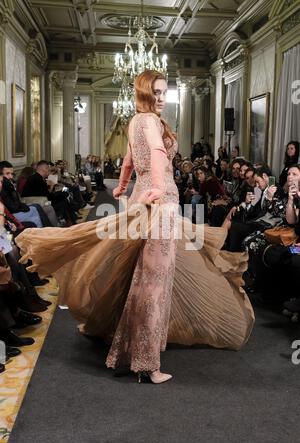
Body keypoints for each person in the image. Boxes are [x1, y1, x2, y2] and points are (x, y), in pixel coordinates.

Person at [15, 70, 254, 384]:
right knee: (154, 284)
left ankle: (135, 345)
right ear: (143, 92)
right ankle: (146, 364)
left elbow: (129, 158)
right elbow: (154, 153)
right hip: (159, 204)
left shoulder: (135, 122)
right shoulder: (150, 122)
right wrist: (155, 185)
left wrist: (124, 185)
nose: (161, 97)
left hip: (146, 200)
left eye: (164, 92)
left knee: (139, 277)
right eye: (156, 91)